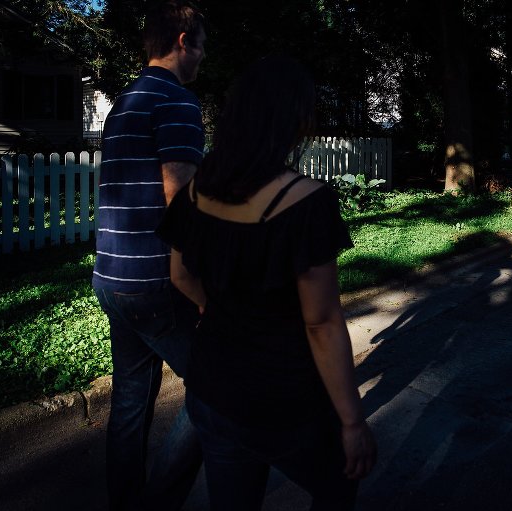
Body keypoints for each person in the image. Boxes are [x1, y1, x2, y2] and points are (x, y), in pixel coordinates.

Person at [155, 54, 377, 511]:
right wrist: (352, 422)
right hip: (283, 403)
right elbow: (321, 324)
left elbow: (179, 274)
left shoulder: (197, 190)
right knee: (339, 485)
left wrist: (211, 309)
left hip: (211, 391)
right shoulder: (306, 202)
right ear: (293, 120)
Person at [91, 1, 207, 509]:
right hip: (157, 285)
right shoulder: (177, 101)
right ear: (184, 40)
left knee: (131, 402)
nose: (204, 56)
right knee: (216, 389)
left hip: (111, 277)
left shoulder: (125, 101)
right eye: (202, 44)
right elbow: (180, 204)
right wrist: (206, 288)